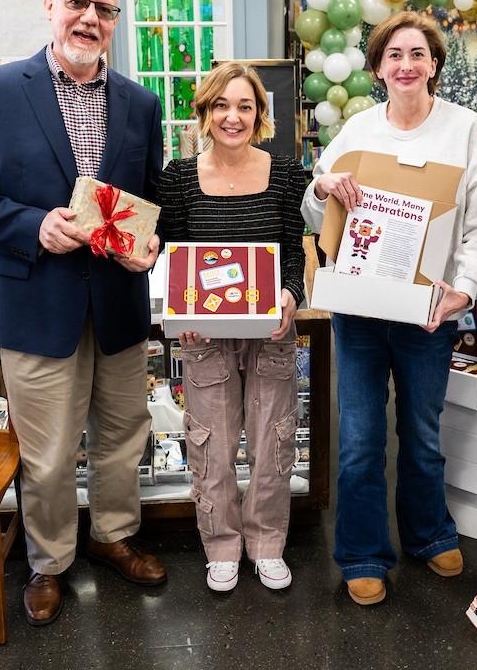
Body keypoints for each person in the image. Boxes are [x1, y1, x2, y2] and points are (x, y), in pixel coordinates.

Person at [0, 0, 166, 628]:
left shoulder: (140, 102)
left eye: (105, 9)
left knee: (124, 435)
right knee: (47, 451)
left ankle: (114, 534)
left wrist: (151, 244)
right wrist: (34, 226)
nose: (90, 19)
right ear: (51, 6)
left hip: (121, 303)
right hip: (37, 302)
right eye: (78, 3)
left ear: (115, 23)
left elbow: (149, 198)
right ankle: (50, 560)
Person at [301, 11, 477, 606]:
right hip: (361, 311)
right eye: (394, 55)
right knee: (360, 437)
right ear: (378, 68)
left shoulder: (465, 131)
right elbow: (320, 216)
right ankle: (363, 552)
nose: (406, 65)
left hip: (428, 312)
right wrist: (323, 189)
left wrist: (463, 290)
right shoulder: (358, 132)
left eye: (417, 54)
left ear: (434, 65)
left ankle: (427, 533)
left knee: (421, 431)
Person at [156, 62, 308, 593]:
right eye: (221, 105)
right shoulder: (178, 177)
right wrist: (181, 315)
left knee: (273, 443)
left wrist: (291, 293)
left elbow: (294, 253)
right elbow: (175, 258)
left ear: (260, 115)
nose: (233, 116)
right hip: (205, 339)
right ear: (204, 112)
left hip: (271, 333)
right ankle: (220, 545)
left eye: (245, 106)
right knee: (211, 446)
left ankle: (266, 544)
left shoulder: (287, 174)